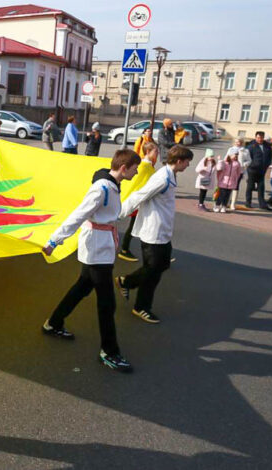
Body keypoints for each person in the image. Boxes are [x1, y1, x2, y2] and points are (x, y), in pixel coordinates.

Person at [41, 149, 140, 372]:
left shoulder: (112, 185)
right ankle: (109, 352)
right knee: (107, 303)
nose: (135, 173)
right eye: (134, 169)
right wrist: (55, 241)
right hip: (96, 249)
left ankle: (53, 323)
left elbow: (111, 212)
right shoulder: (102, 188)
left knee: (81, 288)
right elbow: (78, 215)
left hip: (101, 246)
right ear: (123, 168)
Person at [116, 145, 194, 324]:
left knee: (162, 265)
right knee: (152, 270)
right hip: (153, 233)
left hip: (163, 232)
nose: (189, 165)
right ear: (179, 161)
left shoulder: (170, 175)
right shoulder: (162, 178)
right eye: (188, 162)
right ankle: (140, 305)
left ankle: (126, 282)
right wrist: (117, 214)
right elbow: (138, 196)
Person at [118, 142, 158, 262]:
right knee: (139, 226)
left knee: (141, 225)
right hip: (139, 202)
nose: (157, 153)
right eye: (155, 151)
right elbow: (138, 184)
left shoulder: (149, 166)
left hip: (141, 201)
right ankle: (125, 249)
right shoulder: (144, 166)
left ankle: (154, 253)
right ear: (147, 152)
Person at [244, 131, 272, 210]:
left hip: (262, 170)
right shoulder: (251, 146)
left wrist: (267, 165)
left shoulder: (267, 146)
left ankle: (262, 204)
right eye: (258, 137)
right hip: (252, 170)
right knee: (250, 186)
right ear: (255, 137)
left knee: (261, 187)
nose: (260, 139)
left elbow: (270, 156)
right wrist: (251, 165)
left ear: (263, 138)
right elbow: (246, 157)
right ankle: (248, 203)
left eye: (261, 137)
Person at [214, 147, 242, 213]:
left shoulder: (237, 164)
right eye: (234, 155)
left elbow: (238, 173)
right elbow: (219, 168)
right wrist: (220, 161)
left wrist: (235, 180)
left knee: (227, 196)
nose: (235, 157)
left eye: (237, 156)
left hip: (231, 183)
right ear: (230, 155)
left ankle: (224, 206)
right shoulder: (225, 162)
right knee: (221, 195)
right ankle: (217, 205)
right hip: (223, 182)